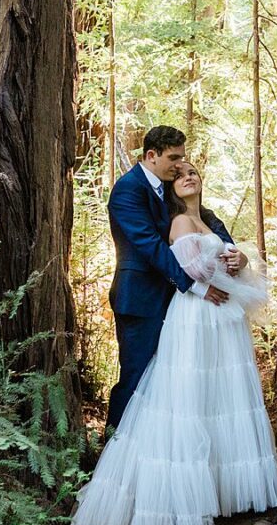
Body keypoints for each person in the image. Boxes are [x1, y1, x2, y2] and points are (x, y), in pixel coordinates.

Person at [71, 159, 277, 525]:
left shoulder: (210, 221)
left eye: (194, 172)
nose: (188, 176)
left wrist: (238, 261)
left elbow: (233, 261)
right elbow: (190, 269)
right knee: (185, 397)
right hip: (195, 315)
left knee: (222, 399)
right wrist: (214, 270)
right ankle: (170, 495)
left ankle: (224, 491)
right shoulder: (177, 225)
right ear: (172, 186)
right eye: (181, 172)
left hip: (223, 321)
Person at [102, 125, 240, 433]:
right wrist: (196, 285)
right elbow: (151, 246)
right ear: (151, 156)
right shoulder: (128, 189)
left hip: (173, 302)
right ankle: (113, 448)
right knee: (137, 378)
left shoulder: (167, 187)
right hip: (139, 299)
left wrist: (233, 250)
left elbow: (202, 219)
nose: (180, 166)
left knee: (166, 382)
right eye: (173, 158)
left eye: (183, 158)